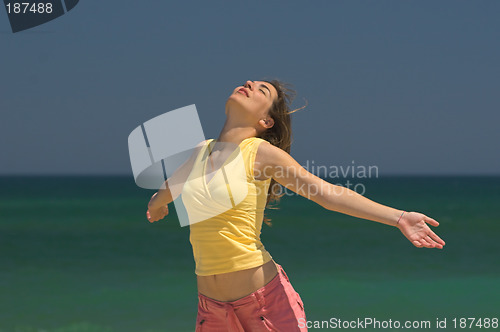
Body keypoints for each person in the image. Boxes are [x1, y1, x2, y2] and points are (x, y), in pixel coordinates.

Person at [146, 79, 446, 332]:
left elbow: (328, 194)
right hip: (211, 310)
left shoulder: (261, 154)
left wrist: (400, 217)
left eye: (262, 90)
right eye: (250, 82)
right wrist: (158, 204)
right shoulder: (201, 150)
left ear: (266, 121)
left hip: (264, 302)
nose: (249, 84)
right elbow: (174, 183)